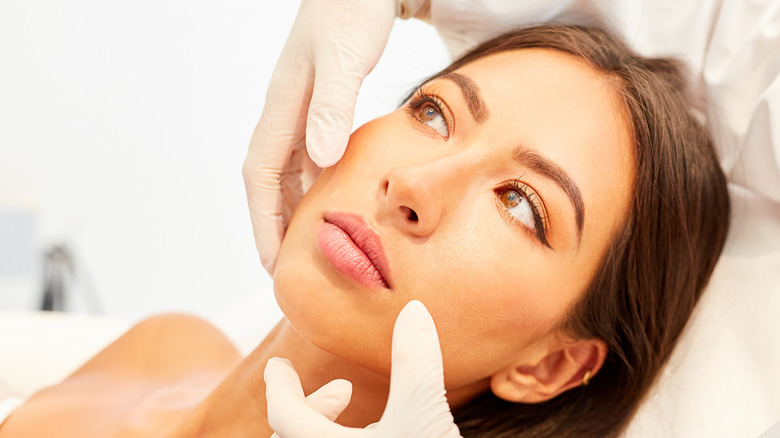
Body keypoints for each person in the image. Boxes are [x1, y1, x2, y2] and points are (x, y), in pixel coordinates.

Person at [0, 24, 730, 437]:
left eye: (520, 205)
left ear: (548, 367)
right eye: (435, 113)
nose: (413, 185)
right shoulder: (166, 345)